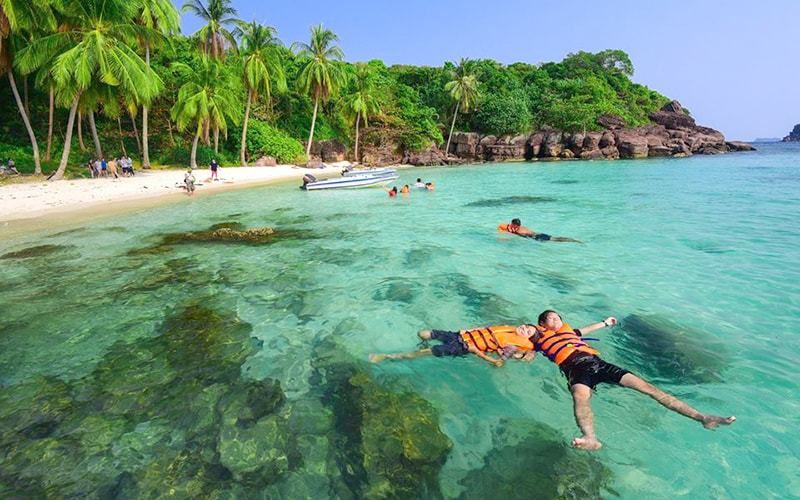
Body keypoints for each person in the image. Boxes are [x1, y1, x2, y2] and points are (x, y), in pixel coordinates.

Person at [517, 310, 735, 450]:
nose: (556, 320)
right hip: (576, 370)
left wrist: (605, 322)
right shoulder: (538, 342)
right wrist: (517, 353)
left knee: (648, 388)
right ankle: (590, 437)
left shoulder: (570, 332)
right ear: (541, 324)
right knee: (580, 398)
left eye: (558, 317)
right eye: (551, 318)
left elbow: (587, 329)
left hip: (598, 364)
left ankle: (703, 417)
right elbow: (526, 355)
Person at [369, 325, 535, 368]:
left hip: (462, 348)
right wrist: (469, 330)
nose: (524, 329)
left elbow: (498, 362)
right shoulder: (507, 328)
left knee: (420, 353)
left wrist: (479, 353)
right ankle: (424, 344)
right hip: (458, 335)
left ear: (527, 338)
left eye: (528, 332)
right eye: (526, 326)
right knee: (423, 333)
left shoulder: (512, 346)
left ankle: (386, 357)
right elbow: (485, 331)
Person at [498, 218, 582, 243]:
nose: (516, 227)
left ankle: (573, 240)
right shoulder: (518, 228)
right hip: (537, 235)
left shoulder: (519, 229)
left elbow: (519, 235)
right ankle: (573, 240)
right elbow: (502, 228)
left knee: (556, 239)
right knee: (555, 239)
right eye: (515, 225)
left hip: (536, 237)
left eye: (517, 226)